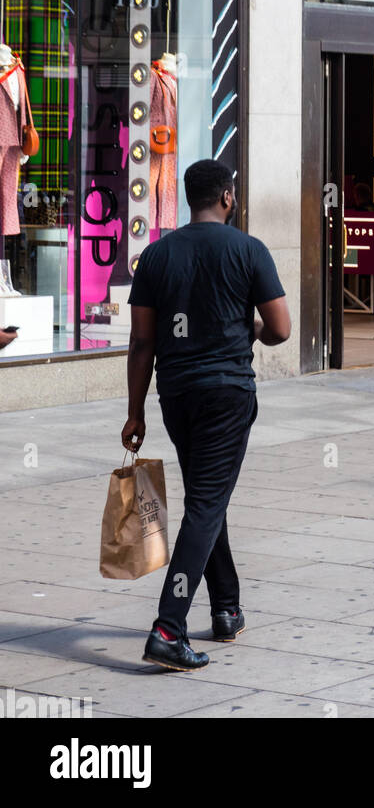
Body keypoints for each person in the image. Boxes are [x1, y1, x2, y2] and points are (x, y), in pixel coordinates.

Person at [122, 160, 291, 672]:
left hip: (176, 397)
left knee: (205, 500)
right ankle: (168, 628)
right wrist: (253, 332)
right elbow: (281, 328)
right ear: (226, 197)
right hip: (227, 396)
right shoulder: (248, 249)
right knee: (206, 506)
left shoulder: (154, 256)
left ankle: (225, 608)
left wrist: (135, 414)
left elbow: (142, 341)